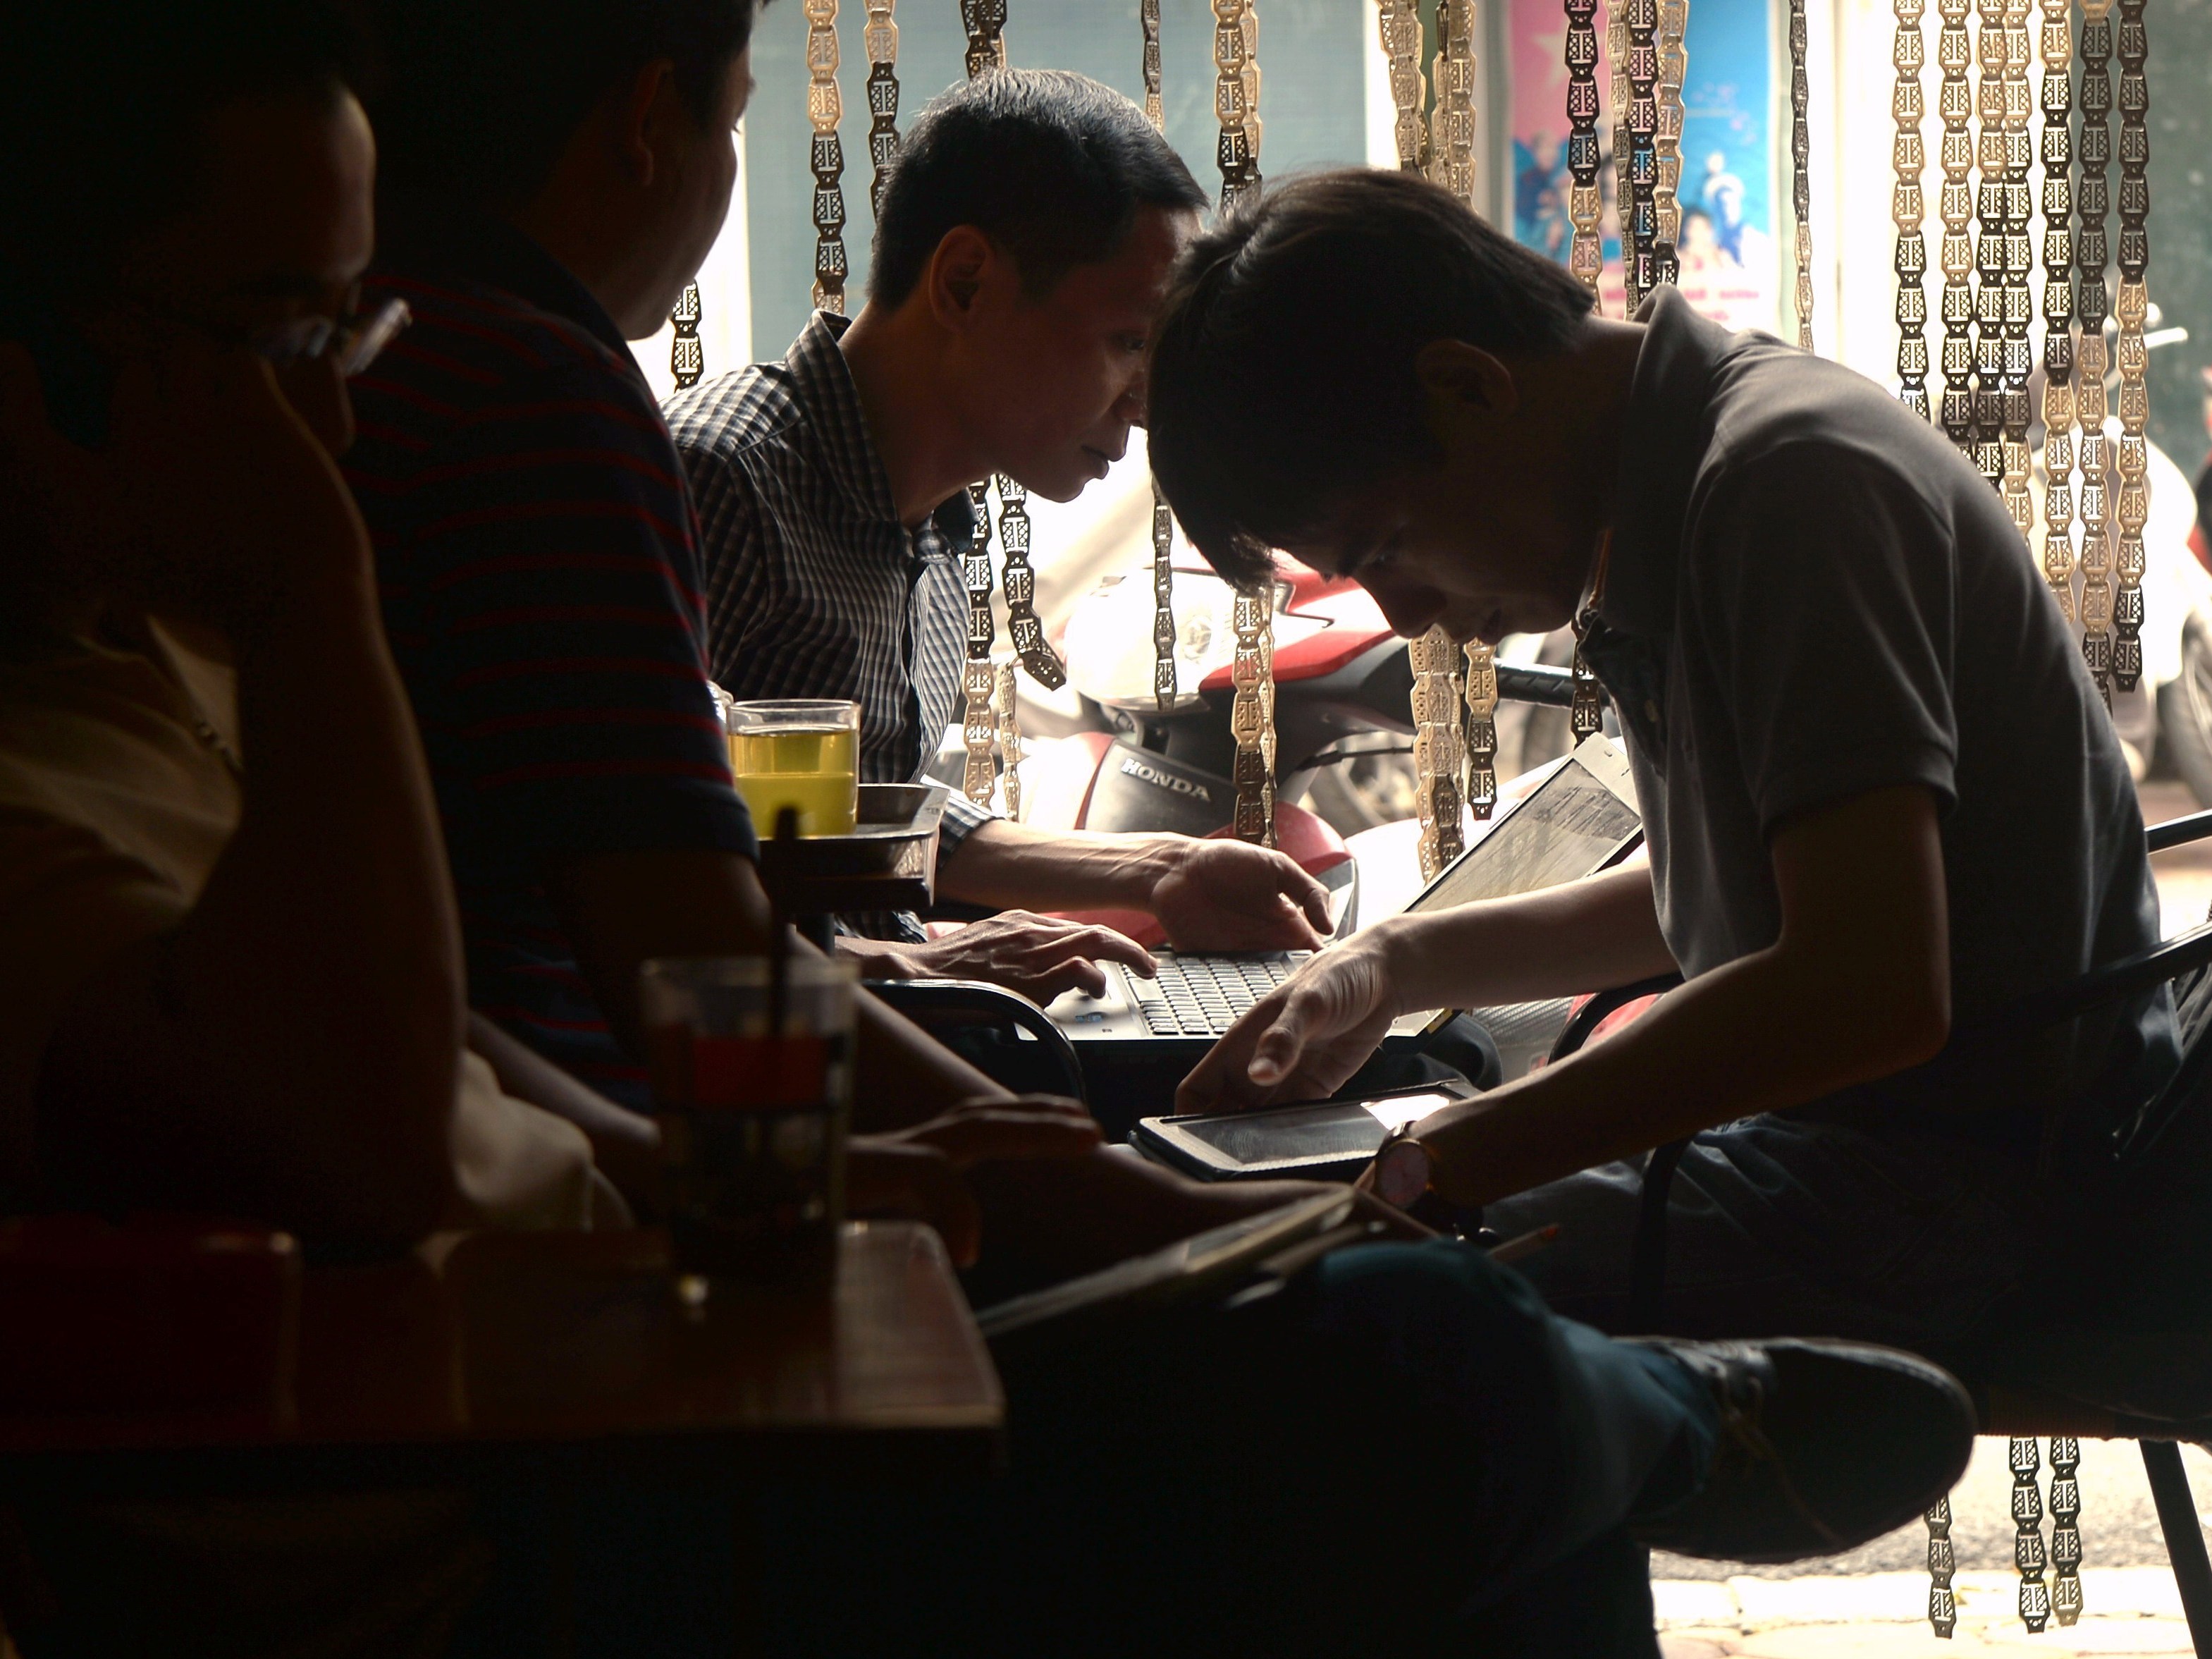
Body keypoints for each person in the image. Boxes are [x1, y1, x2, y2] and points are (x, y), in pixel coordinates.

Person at [1154, 168, 2189, 1348]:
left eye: (1385, 545)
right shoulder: (1692, 479)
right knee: (1334, 1252)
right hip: (1880, 1144)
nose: (1399, 614)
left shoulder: (1782, 484)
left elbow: (1866, 987)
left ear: (1466, 386)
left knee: (1341, 1303)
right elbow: (1729, 904)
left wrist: (1439, 1158)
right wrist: (1389, 962)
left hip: (1982, 1188)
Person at [663, 71, 1337, 1005]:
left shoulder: (940, 526)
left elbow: (842, 820)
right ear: (965, 281)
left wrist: (1158, 867)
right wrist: (903, 964)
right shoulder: (716, 483)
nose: (1146, 407)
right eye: (1126, 343)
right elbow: (617, 882)